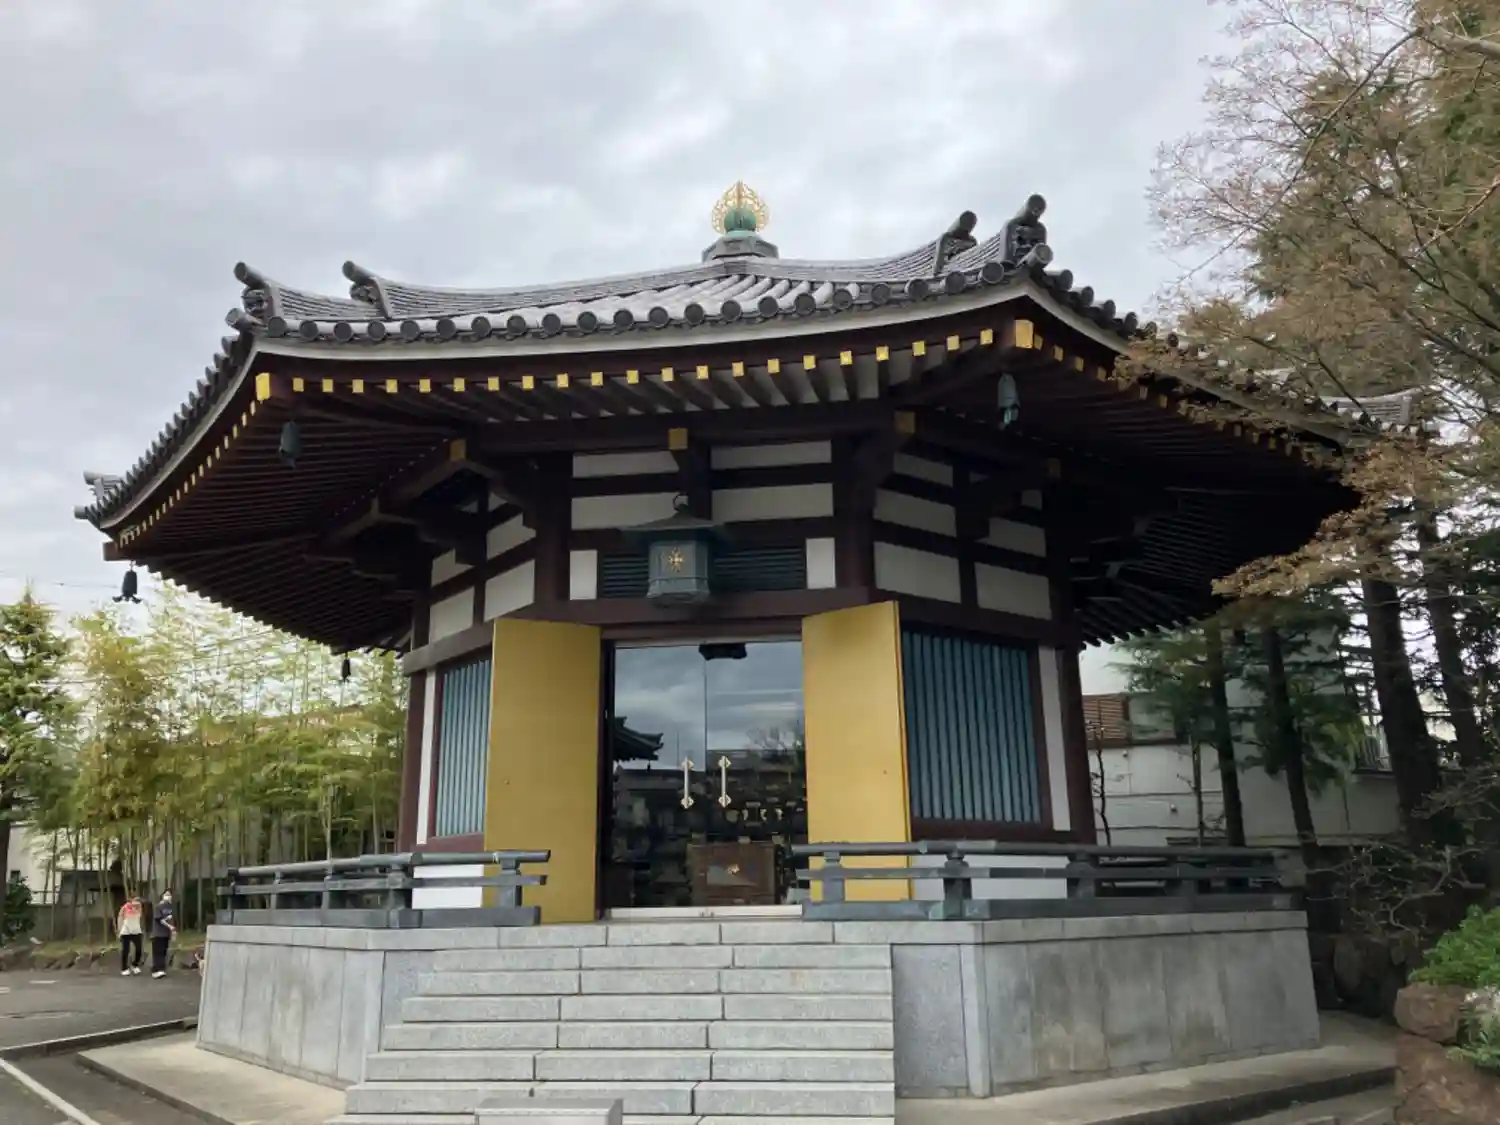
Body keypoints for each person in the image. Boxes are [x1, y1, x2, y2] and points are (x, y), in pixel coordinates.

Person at [149, 889, 176, 978]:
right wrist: (169, 926)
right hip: (158, 933)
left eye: (170, 895)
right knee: (158, 952)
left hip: (166, 934)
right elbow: (159, 920)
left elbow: (171, 920)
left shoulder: (170, 908)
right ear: (162, 896)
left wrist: (173, 931)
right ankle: (157, 970)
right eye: (166, 894)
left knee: (164, 952)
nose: (168, 896)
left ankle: (160, 969)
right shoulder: (158, 907)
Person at [116, 895, 144, 976]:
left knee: (139, 949)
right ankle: (124, 968)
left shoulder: (139, 908)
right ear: (131, 900)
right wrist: (119, 931)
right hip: (126, 931)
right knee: (125, 950)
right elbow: (120, 918)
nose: (137, 902)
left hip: (136, 931)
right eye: (135, 900)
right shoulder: (125, 907)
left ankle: (135, 965)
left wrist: (136, 907)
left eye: (138, 900)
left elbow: (139, 917)